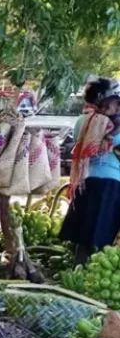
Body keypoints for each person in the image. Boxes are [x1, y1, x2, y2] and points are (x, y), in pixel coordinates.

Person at [60, 77, 120, 263]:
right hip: (109, 182)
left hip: (86, 180)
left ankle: (79, 269)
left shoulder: (82, 121)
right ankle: (92, 274)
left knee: (85, 235)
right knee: (103, 234)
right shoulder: (112, 126)